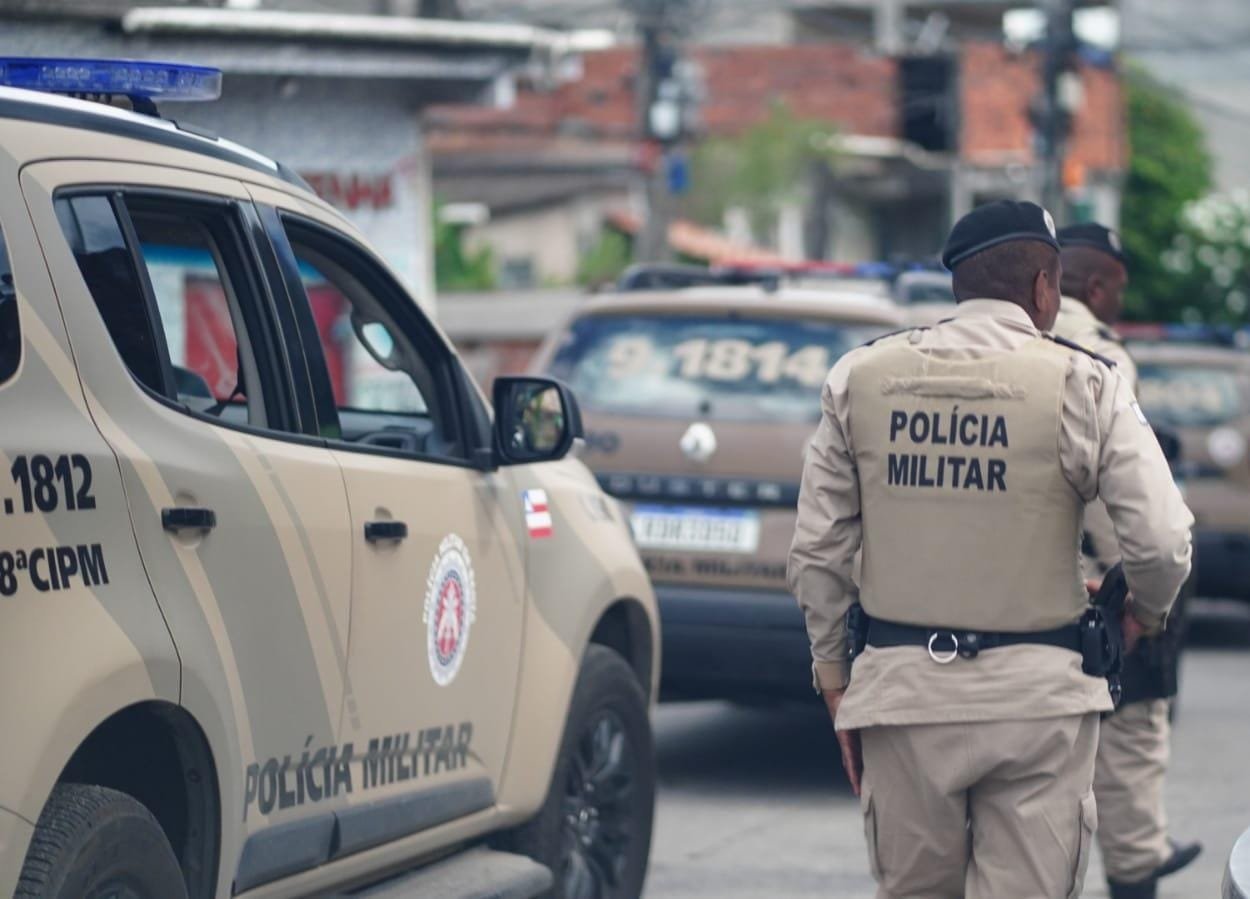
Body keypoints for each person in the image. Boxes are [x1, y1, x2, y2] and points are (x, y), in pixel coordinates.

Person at [788, 200, 1194, 898]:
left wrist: (834, 678)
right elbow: (1161, 541)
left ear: (958, 286)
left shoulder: (859, 378)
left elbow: (819, 552)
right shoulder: (1087, 381)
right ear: (1046, 288)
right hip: (1038, 704)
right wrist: (1144, 616)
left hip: (903, 694)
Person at [1055, 222, 1203, 899]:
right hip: (1096, 585)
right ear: (1096, 286)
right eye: (1117, 290)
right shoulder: (1102, 355)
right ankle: (1137, 866)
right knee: (1130, 741)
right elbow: (1124, 504)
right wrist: (1143, 599)